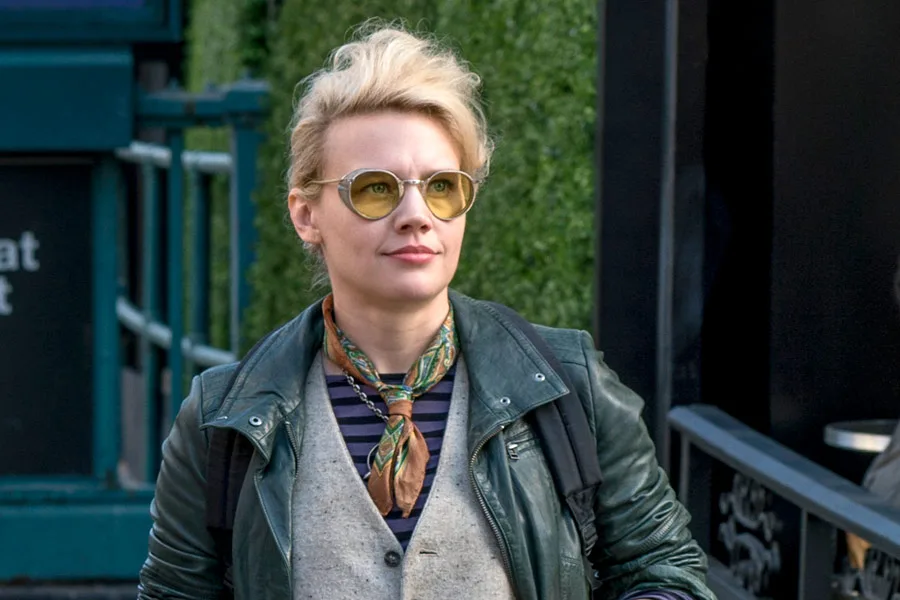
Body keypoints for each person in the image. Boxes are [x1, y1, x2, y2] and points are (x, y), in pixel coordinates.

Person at [138, 23, 716, 600]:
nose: (417, 214)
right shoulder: (223, 420)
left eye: (441, 187)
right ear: (306, 215)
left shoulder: (568, 387)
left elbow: (665, 572)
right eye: (375, 188)